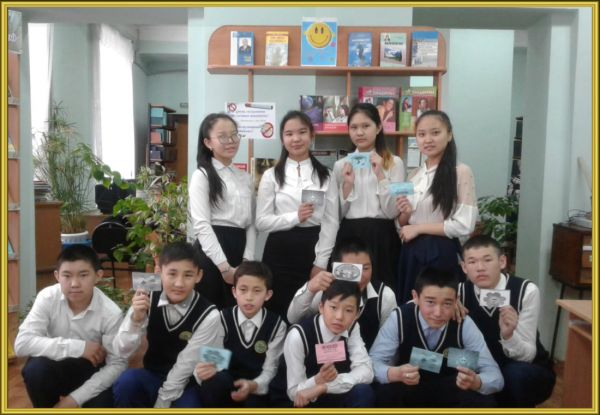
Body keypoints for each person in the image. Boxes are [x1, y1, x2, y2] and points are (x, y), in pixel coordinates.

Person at [369, 266, 503, 407]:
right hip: (409, 390)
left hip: (452, 392)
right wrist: (395, 373)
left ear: (456, 300)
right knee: (384, 393)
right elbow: (373, 363)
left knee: (484, 400)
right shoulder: (400, 318)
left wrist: (476, 382)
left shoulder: (463, 323)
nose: (438, 313)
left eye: (447, 303)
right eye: (430, 302)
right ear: (415, 297)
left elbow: (494, 375)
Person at [112, 242, 224, 408]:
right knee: (127, 382)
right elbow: (121, 351)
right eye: (172, 273)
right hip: (152, 374)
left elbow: (187, 364)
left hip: (187, 382)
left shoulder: (209, 314)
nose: (179, 283)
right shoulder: (147, 295)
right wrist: (135, 320)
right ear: (159, 271)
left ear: (198, 276)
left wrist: (161, 404)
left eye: (188, 275)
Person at [14, 244, 127, 408]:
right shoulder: (48, 297)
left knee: (103, 404)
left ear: (98, 276)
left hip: (91, 372)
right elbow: (22, 344)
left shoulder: (111, 313)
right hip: (54, 366)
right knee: (36, 370)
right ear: (57, 276)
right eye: (66, 275)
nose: (74, 284)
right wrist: (80, 347)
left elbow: (116, 364)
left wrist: (72, 400)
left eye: (83, 275)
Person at [256, 110, 339, 319]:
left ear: (312, 135)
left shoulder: (326, 175)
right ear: (282, 139)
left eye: (302, 132)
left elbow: (331, 221)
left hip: (314, 247)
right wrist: (295, 217)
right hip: (279, 248)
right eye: (289, 134)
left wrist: (320, 262)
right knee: (277, 306)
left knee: (312, 307)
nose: (296, 139)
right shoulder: (271, 175)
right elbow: (261, 222)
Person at [459, 235, 556, 407]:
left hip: (523, 366)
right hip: (480, 364)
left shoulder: (526, 290)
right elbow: (418, 303)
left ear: (502, 261)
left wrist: (509, 335)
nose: (480, 268)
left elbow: (528, 355)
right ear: (464, 267)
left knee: (515, 375)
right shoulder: (457, 293)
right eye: (472, 262)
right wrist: (447, 303)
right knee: (449, 369)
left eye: (487, 260)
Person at [396, 110, 477, 302]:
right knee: (410, 306)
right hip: (411, 252)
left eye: (435, 132)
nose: (428, 140)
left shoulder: (461, 171)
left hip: (441, 251)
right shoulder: (413, 175)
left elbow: (465, 224)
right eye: (421, 134)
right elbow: (402, 224)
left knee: (438, 308)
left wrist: (418, 228)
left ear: (449, 134)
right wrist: (406, 214)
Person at [332, 102, 404, 292]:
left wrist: (381, 175)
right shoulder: (341, 165)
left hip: (383, 235)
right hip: (349, 234)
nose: (359, 132)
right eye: (354, 127)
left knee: (384, 289)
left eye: (366, 126)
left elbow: (392, 211)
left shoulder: (394, 163)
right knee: (346, 290)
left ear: (378, 127)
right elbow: (337, 214)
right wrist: (347, 185)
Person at [189, 113, 256, 309]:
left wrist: (247, 261)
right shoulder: (201, 175)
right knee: (210, 311)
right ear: (208, 142)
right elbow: (202, 225)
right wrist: (224, 267)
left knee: (236, 311)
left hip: (239, 248)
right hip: (212, 253)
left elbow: (252, 223)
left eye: (234, 135)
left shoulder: (245, 177)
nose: (231, 141)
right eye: (223, 136)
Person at [287, 238, 397, 351]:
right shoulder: (325, 288)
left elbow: (386, 343)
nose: (360, 276)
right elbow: (293, 318)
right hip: (321, 359)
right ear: (336, 268)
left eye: (365, 268)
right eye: (352, 269)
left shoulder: (384, 296)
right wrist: (310, 288)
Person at [202, 261, 287, 407]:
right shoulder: (221, 318)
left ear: (268, 295)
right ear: (234, 292)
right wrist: (207, 369)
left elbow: (270, 370)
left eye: (257, 291)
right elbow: (213, 360)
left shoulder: (277, 326)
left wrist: (252, 385)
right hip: (226, 382)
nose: (249, 297)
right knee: (214, 381)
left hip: (256, 387)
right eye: (243, 289)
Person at [284, 280, 375, 407]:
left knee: (363, 392)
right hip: (301, 402)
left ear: (356, 314)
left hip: (333, 393)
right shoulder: (298, 335)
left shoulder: (352, 327)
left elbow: (366, 371)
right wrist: (317, 380)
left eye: (348, 310)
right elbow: (294, 393)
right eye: (333, 307)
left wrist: (324, 387)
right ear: (321, 307)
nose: (339, 316)